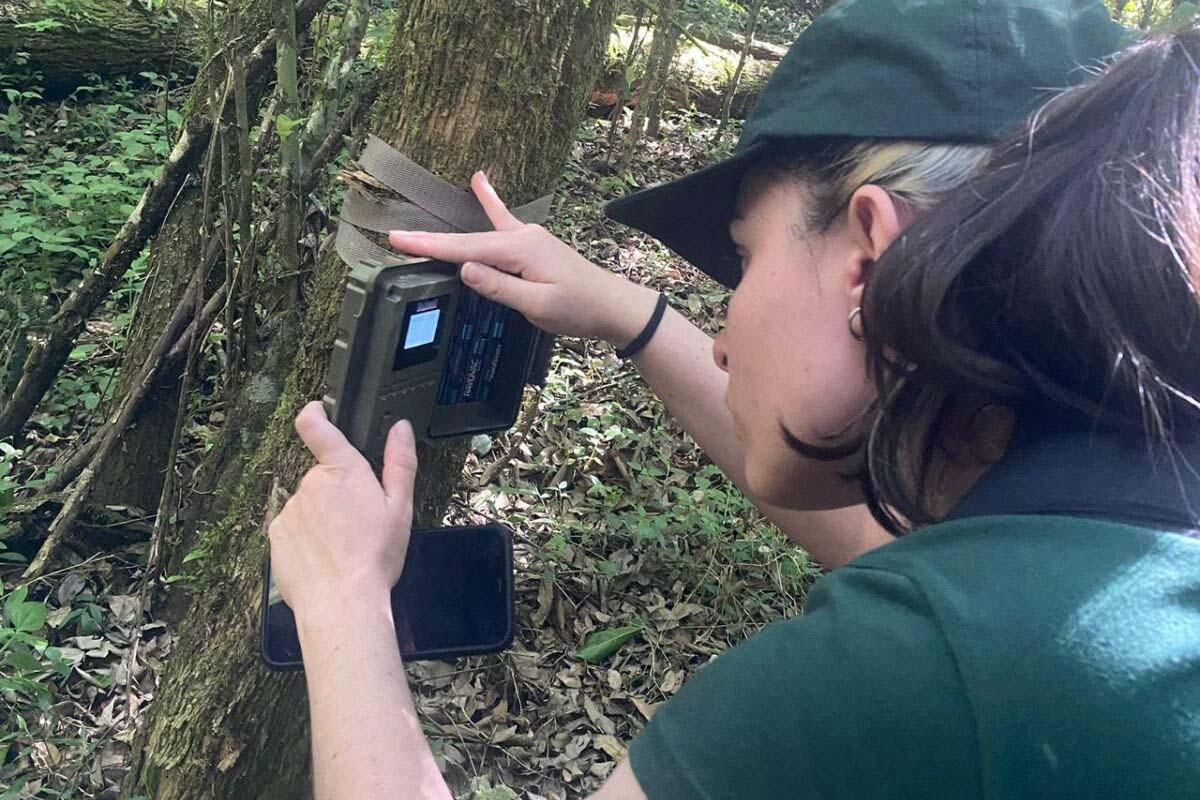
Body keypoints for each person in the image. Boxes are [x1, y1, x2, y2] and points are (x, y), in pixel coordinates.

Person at [267, 2, 1200, 798]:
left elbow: (943, 634)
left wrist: (345, 601)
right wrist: (628, 316)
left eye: (744, 260)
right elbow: (912, 552)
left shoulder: (910, 673)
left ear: (868, 257)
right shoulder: (1123, 543)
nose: (723, 333)